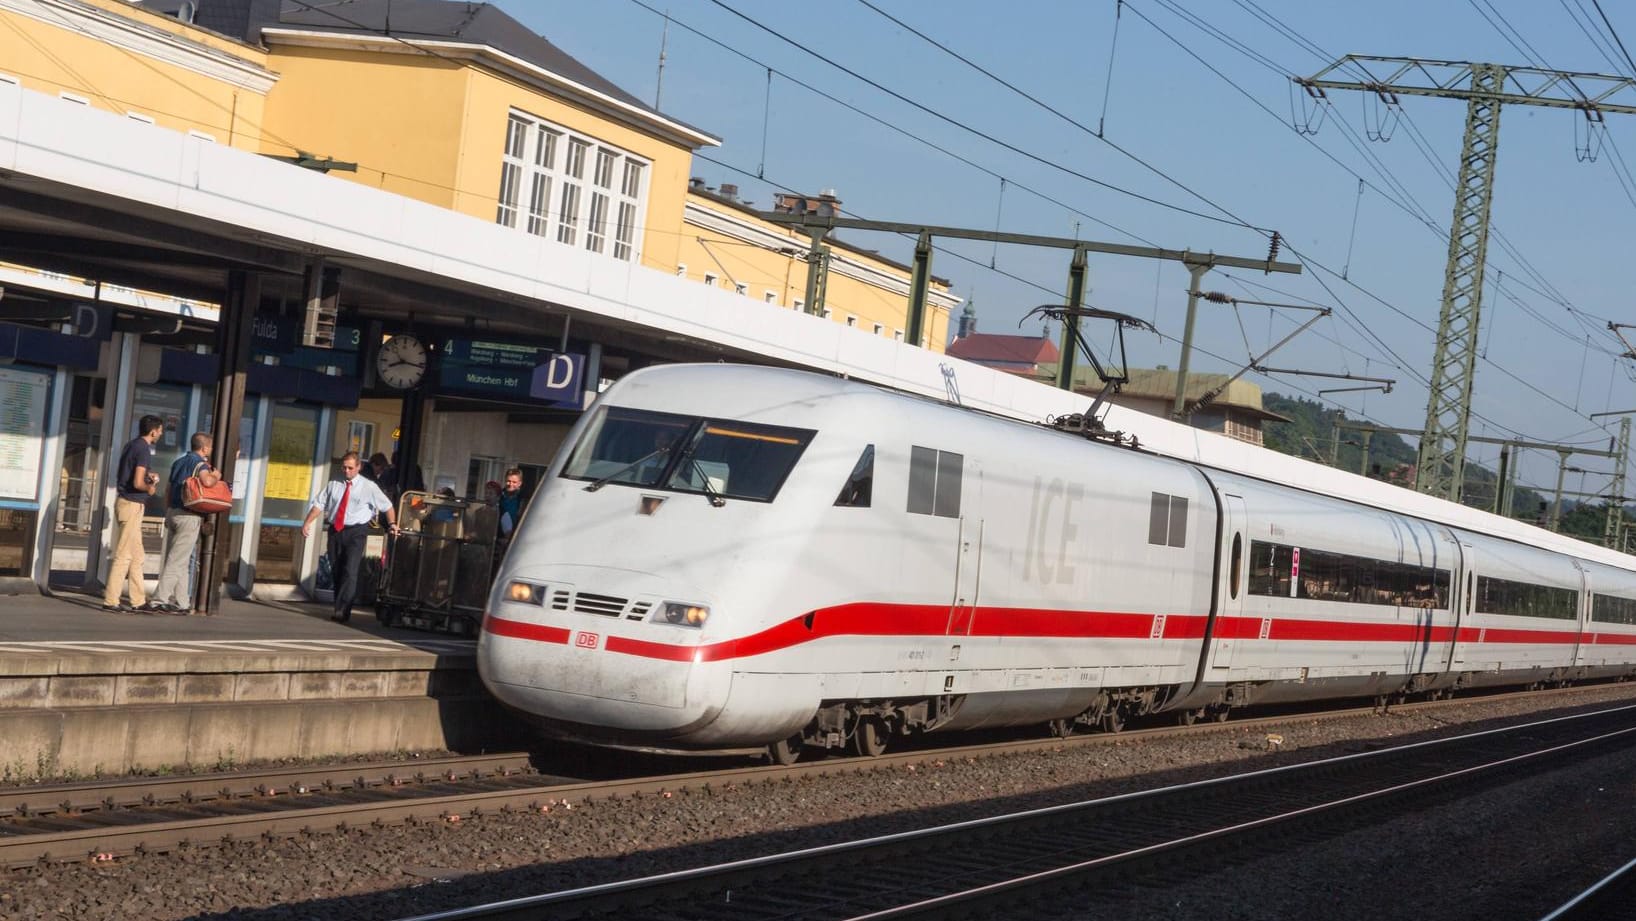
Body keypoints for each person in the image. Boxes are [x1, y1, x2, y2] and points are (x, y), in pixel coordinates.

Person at [301, 451, 398, 623]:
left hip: (356, 532)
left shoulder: (369, 486)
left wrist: (392, 524)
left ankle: (343, 610)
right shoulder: (333, 484)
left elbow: (387, 506)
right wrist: (307, 522)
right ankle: (339, 605)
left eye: (350, 468)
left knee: (350, 571)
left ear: (359, 467)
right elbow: (319, 504)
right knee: (337, 570)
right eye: (344, 467)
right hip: (336, 531)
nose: (347, 471)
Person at [152, 432, 220, 614]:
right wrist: (216, 477)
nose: (211, 450)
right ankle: (159, 599)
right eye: (210, 447)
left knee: (181, 561)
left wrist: (168, 512)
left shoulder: (178, 462)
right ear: (205, 448)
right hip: (189, 516)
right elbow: (206, 481)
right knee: (177, 560)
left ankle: (182, 602)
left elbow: (168, 489)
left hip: (173, 512)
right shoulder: (200, 464)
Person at [104, 414, 164, 613]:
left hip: (127, 503)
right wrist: (151, 486)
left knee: (137, 556)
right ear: (153, 431)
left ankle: (138, 600)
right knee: (123, 555)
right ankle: (111, 600)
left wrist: (148, 476)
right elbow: (138, 483)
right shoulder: (144, 449)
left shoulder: (132, 445)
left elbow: (130, 475)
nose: (161, 434)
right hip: (132, 504)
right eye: (160, 431)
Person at [497, 468, 524, 542]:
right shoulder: (498, 496)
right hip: (497, 538)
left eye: (514, 482)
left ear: (519, 483)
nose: (511, 484)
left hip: (516, 539)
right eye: (508, 481)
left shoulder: (523, 499)